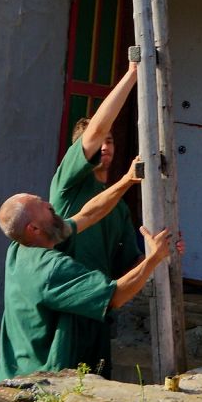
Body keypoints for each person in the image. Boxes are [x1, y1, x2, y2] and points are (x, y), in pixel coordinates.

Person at [0, 168, 178, 388]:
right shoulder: (50, 269)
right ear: (33, 228)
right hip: (38, 389)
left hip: (11, 378)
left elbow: (89, 215)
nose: (49, 205)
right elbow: (115, 296)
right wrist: (154, 258)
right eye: (41, 206)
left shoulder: (19, 248)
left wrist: (127, 180)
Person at [49, 61, 145, 373]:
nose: (104, 146)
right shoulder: (68, 184)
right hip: (64, 302)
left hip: (98, 304)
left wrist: (161, 255)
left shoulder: (119, 206)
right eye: (98, 141)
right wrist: (132, 74)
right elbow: (98, 129)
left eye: (111, 141)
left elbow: (129, 262)